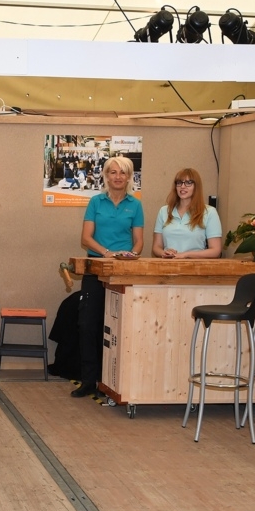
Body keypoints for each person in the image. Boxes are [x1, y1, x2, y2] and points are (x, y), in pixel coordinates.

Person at [72, 155, 144, 398]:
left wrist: (131, 256)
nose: (118, 177)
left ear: (129, 176)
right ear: (106, 175)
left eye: (123, 172)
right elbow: (86, 238)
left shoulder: (135, 205)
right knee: (87, 325)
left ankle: (111, 382)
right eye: (113, 172)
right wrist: (106, 253)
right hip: (96, 269)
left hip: (123, 272)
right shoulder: (96, 202)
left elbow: (139, 240)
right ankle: (88, 381)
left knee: (118, 327)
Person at [151, 168, 222, 259]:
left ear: (196, 187)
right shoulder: (164, 211)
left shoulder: (209, 212)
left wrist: (186, 255)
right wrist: (164, 253)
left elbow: (215, 250)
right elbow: (156, 247)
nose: (183, 186)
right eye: (179, 182)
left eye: (188, 183)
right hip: (168, 265)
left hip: (195, 266)